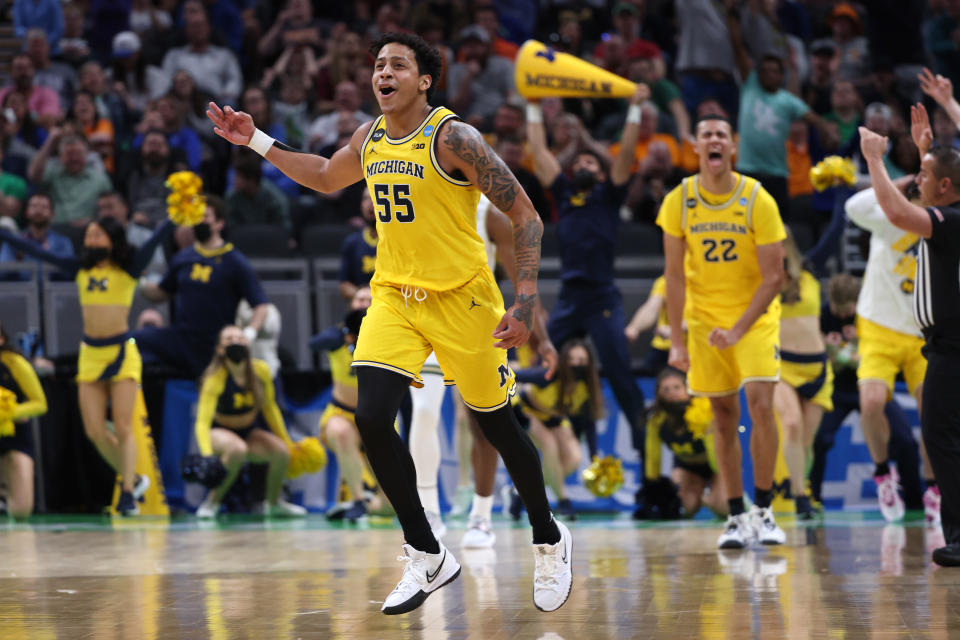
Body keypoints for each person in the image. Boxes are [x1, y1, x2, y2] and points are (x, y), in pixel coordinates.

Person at [206, 32, 571, 614]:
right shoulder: (368, 137)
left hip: (464, 299)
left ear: (424, 80)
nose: (384, 73)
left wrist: (525, 299)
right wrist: (257, 141)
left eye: (397, 65)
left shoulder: (456, 138)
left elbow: (525, 214)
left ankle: (549, 537)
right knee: (372, 416)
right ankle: (427, 553)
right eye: (378, 65)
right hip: (395, 296)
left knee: (497, 428)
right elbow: (326, 176)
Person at [657, 113, 787, 550]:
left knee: (761, 404)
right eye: (706, 134)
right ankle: (735, 515)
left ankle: (765, 511)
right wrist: (676, 338)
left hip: (753, 319)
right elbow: (673, 276)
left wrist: (738, 330)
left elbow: (775, 277)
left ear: (733, 146)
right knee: (723, 417)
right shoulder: (679, 200)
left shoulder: (757, 199)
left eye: (721, 135)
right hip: (705, 322)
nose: (714, 140)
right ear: (696, 146)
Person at [407, 193, 558, 542]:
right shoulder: (414, 194)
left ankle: (482, 514)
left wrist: (543, 340)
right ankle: (429, 511)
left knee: (484, 423)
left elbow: (521, 283)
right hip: (425, 318)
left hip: (475, 322)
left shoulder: (487, 213)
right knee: (424, 413)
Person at [0, 215, 172, 515]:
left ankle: (129, 493)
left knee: (122, 426)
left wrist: (171, 219)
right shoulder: (80, 269)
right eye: (89, 235)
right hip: (90, 355)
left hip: (121, 352)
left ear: (112, 240)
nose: (91, 240)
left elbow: (152, 243)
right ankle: (135, 477)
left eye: (97, 235)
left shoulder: (128, 270)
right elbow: (41, 253)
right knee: (93, 431)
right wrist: (7, 235)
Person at [527, 85, 650, 480]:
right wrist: (532, 105)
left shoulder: (609, 195)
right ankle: (516, 431)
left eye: (591, 162)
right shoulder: (564, 193)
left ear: (600, 171)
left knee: (621, 376)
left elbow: (626, 156)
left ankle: (649, 473)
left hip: (602, 297)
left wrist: (634, 111)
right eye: (578, 160)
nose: (583, 164)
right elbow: (539, 153)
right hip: (569, 296)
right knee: (534, 361)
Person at [860, 112, 960, 566]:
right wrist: (925, 151)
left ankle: (958, 535)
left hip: (952, 348)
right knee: (942, 437)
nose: (918, 179)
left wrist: (874, 159)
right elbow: (935, 185)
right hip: (941, 346)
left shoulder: (952, 220)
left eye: (924, 175)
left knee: (942, 439)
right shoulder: (950, 210)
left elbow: (898, 211)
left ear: (943, 188)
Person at [137, 196, 270, 379]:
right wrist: (138, 280)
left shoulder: (234, 260)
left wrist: (248, 334)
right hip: (181, 338)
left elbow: (261, 306)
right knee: (132, 342)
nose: (200, 220)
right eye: (196, 216)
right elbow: (161, 293)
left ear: (220, 223)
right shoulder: (183, 257)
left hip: (215, 343)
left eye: (206, 216)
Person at [192, 325, 307, 519]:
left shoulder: (260, 371)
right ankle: (212, 501)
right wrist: (207, 455)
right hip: (219, 432)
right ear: (220, 349)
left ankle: (273, 503)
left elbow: (270, 408)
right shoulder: (215, 378)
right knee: (237, 449)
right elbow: (202, 422)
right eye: (229, 339)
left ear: (248, 344)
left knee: (281, 452)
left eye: (240, 338)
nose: (235, 342)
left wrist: (287, 440)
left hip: (248, 431)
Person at [309, 287, 386, 522]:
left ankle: (368, 505)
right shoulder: (338, 337)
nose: (364, 303)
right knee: (341, 433)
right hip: (342, 413)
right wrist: (343, 334)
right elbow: (314, 343)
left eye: (369, 300)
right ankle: (357, 499)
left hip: (378, 415)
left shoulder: (387, 335)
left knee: (391, 505)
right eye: (359, 299)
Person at [775, 229, 833, 518]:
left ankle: (802, 487)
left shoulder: (809, 270)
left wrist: (840, 193)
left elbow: (832, 235)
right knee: (792, 425)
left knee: (807, 441)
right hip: (781, 366)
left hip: (817, 366)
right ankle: (799, 496)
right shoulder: (758, 278)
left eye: (779, 242)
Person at [512, 339, 599, 521]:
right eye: (572, 359)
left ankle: (521, 492)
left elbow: (590, 423)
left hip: (555, 418)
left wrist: (594, 457)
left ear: (589, 363)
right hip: (528, 411)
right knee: (549, 445)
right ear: (563, 360)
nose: (576, 364)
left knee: (574, 458)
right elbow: (513, 374)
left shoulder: (587, 387)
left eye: (582, 360)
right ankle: (563, 501)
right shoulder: (548, 375)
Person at [642, 367, 726, 519]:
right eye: (666, 389)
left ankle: (719, 496)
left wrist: (721, 477)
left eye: (676, 387)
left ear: (687, 389)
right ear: (658, 394)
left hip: (716, 465)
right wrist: (652, 485)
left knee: (722, 507)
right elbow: (652, 457)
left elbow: (717, 452)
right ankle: (700, 495)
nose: (672, 393)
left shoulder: (703, 412)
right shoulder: (656, 420)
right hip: (687, 467)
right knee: (685, 508)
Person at [0, 322, 48, 519]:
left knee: (21, 511)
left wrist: (9, 412)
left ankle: (5, 495)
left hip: (14, 435)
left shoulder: (15, 363)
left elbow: (40, 403)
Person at [625, 274, 673, 377]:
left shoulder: (705, 282)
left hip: (695, 348)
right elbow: (651, 307)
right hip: (664, 348)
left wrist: (677, 330)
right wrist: (634, 328)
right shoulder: (665, 280)